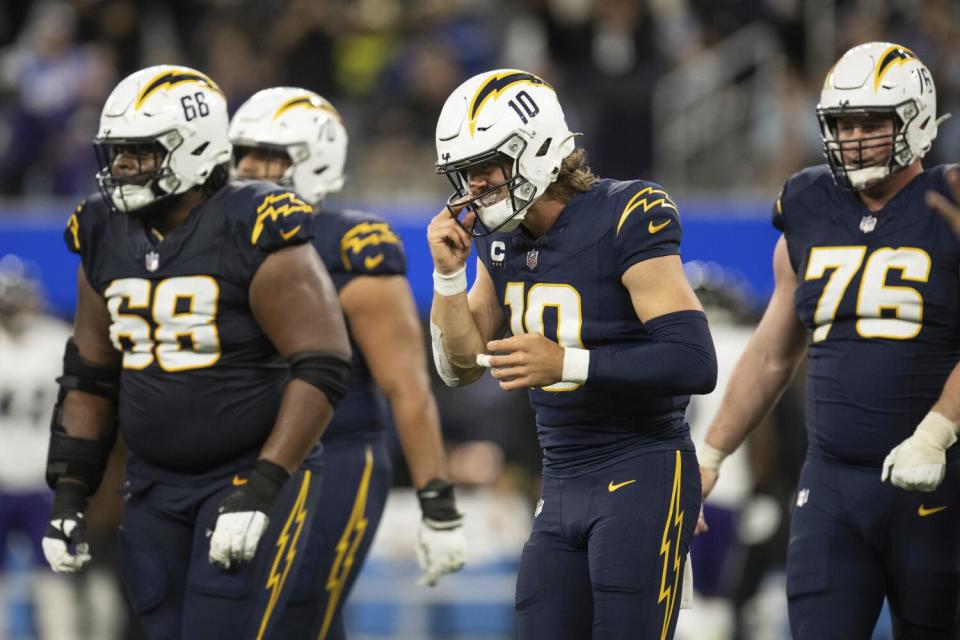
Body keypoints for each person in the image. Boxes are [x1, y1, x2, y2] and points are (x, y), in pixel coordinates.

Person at [41, 64, 353, 640]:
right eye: (117, 153)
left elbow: (323, 365)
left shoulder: (253, 222)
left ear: (195, 148)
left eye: (141, 153)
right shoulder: (101, 230)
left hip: (247, 473)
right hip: (153, 483)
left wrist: (263, 483)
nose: (122, 168)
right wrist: (69, 491)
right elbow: (89, 376)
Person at [427, 69, 717, 639]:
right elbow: (459, 368)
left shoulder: (628, 212)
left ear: (536, 151)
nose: (475, 186)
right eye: (464, 173)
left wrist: (568, 365)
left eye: (486, 167)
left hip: (642, 467)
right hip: (558, 479)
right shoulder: (500, 240)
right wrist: (447, 276)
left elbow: (693, 360)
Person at [698, 42, 960, 639]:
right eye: (843, 123)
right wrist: (711, 455)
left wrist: (937, 431)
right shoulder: (810, 202)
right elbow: (772, 350)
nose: (855, 137)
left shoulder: (950, 197)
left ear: (915, 119)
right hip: (833, 485)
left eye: (871, 122)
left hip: (941, 477)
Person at [228, 87, 467, 639]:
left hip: (336, 455)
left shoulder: (349, 245)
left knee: (300, 616)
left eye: (269, 156)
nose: (249, 169)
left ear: (316, 161)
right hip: (245, 455)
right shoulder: (218, 238)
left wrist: (438, 502)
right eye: (242, 153)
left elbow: (407, 386)